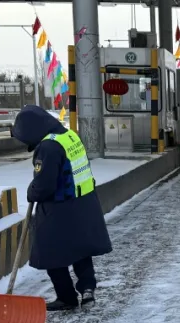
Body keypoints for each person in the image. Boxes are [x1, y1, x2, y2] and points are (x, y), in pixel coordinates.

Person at [10, 105, 112, 311]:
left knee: (50, 252)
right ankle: (87, 290)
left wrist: (32, 192)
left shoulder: (48, 147)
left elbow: (44, 185)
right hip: (83, 202)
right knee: (80, 248)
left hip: (60, 208)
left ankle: (66, 297)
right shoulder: (68, 136)